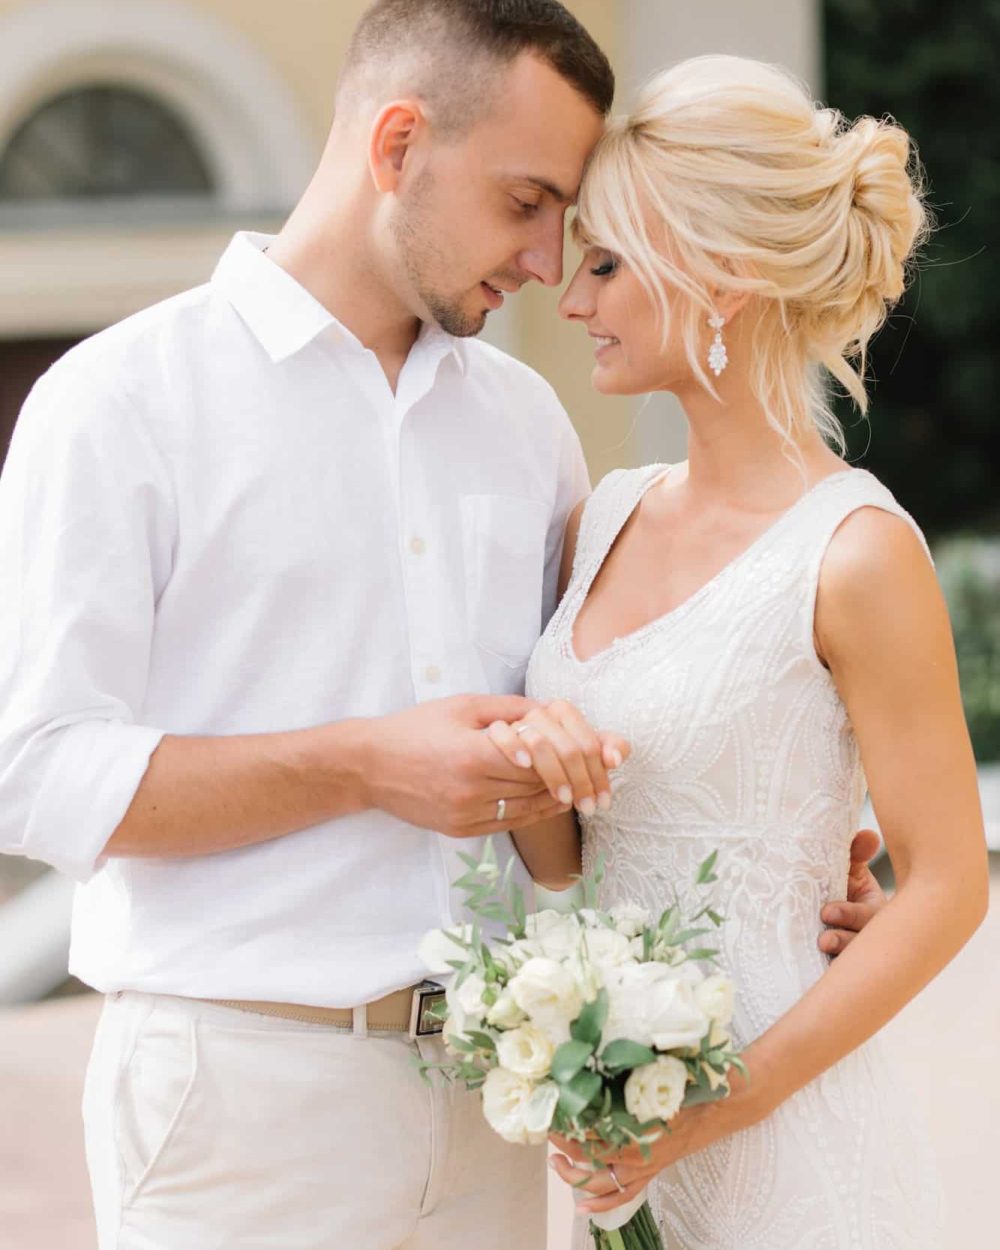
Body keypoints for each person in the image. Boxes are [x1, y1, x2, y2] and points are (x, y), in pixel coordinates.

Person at [0, 4, 882, 1247]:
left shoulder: (527, 426)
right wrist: (366, 762)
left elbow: (587, 756)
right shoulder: (119, 403)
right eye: (525, 201)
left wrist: (803, 859)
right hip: (239, 1097)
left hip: (499, 1097)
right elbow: (34, 774)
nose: (544, 259)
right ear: (398, 143)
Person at [487, 54, 988, 1248]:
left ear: (721, 278)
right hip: (621, 1131)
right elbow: (566, 857)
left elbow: (950, 884)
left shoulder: (856, 552)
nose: (570, 299)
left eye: (605, 265)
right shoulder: (596, 515)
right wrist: (518, 769)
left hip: (783, 1141)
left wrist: (716, 1105)